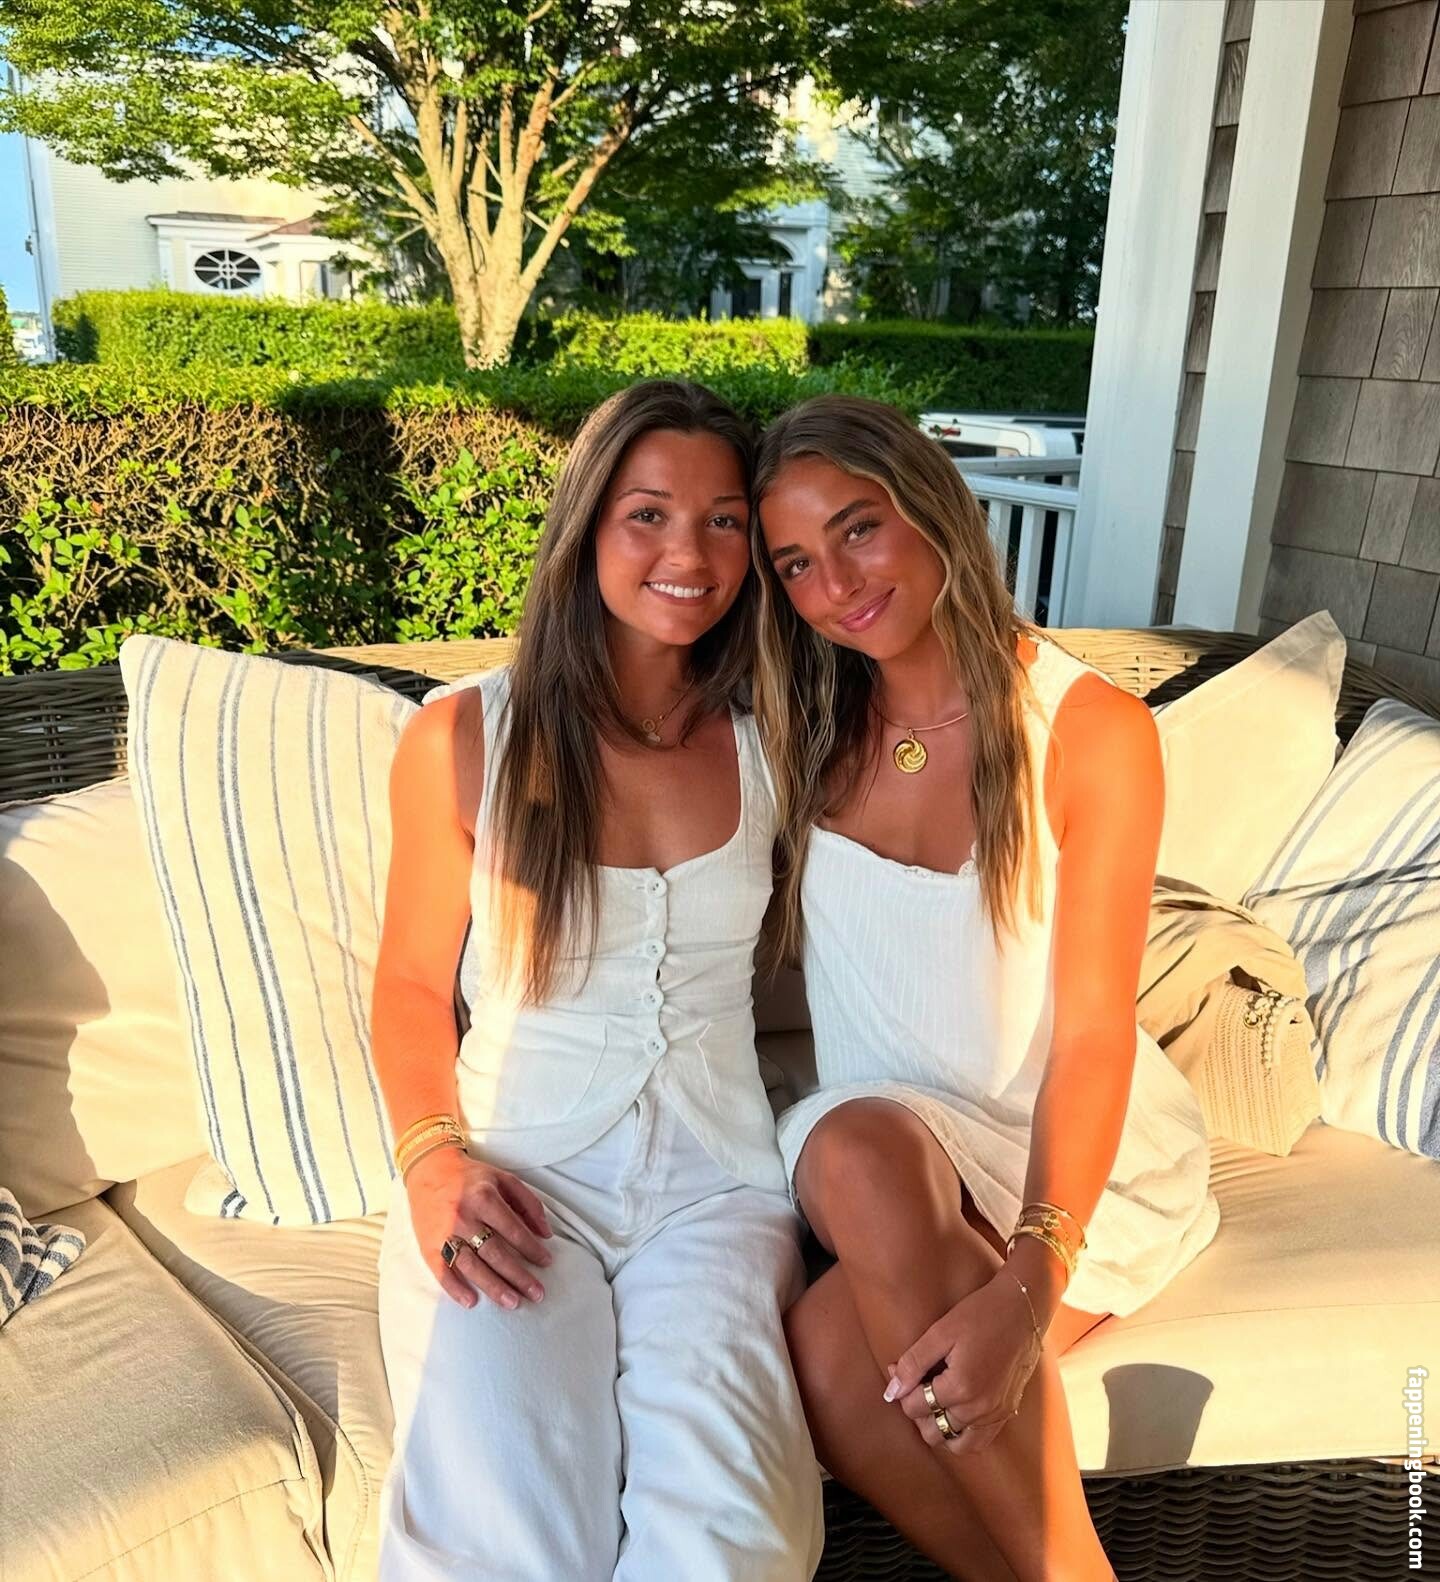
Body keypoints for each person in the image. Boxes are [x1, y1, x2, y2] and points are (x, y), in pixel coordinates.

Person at [750, 395, 1220, 1582]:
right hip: (891, 1169)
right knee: (852, 1184)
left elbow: (1096, 1034)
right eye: (795, 563)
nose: (835, 586)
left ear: (931, 507)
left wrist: (1030, 1281)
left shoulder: (1088, 729)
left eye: (859, 529)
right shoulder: (799, 724)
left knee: (834, 1361)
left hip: (1067, 1166)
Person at [371, 380, 823, 1582]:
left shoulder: (777, 738)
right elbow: (410, 983)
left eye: (725, 521)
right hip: (514, 1180)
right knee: (504, 1538)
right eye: (649, 514)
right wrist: (432, 1164)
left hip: (718, 1193)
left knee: (734, 1534)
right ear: (587, 526)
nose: (691, 554)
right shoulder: (465, 737)